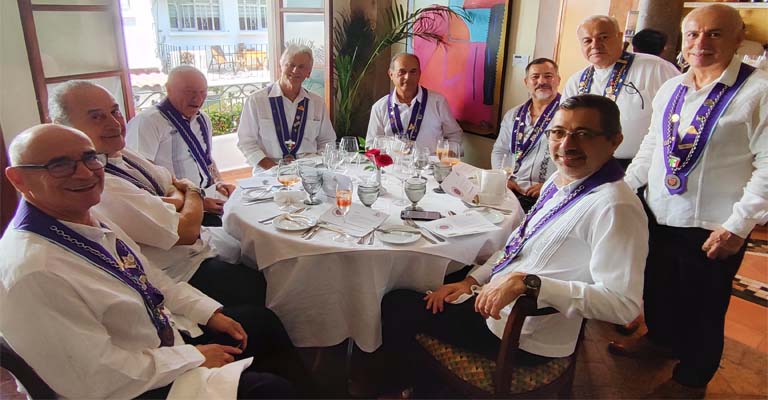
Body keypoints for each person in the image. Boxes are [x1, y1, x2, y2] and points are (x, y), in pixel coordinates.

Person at [0, 124, 305, 399]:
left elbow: (150, 277)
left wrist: (207, 312)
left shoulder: (85, 218)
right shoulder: (34, 271)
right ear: (18, 178)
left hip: (160, 338)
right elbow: (94, 377)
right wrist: (195, 357)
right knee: (270, 391)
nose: (84, 173)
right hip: (129, 385)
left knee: (261, 323)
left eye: (90, 158)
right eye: (59, 165)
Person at [380, 95, 648, 394]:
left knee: (396, 305)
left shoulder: (616, 206)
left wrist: (529, 284)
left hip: (521, 334)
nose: (567, 144)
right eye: (558, 132)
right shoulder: (560, 182)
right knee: (434, 280)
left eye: (583, 134)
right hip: (495, 301)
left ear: (614, 141)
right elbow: (518, 247)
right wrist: (471, 281)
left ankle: (405, 387)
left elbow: (623, 306)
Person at [611, 4, 768, 397]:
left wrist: (738, 226)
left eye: (715, 33)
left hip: (714, 224)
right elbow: (653, 146)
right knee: (658, 287)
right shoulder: (672, 88)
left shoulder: (759, 91)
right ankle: (660, 341)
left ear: (738, 38)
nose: (701, 42)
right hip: (660, 212)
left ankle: (693, 379)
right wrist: (623, 190)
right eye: (694, 34)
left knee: (704, 307)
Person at [49, 80, 266, 308]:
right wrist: (191, 191)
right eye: (96, 117)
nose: (114, 123)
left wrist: (181, 195)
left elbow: (169, 179)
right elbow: (186, 231)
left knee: (257, 243)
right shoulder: (96, 180)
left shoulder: (119, 152)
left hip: (197, 236)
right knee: (264, 286)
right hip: (180, 270)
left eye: (115, 112)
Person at [563, 15, 680, 169]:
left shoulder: (655, 68)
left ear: (619, 37)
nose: (595, 45)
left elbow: (680, 113)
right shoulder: (576, 81)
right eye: (587, 41)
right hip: (588, 166)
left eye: (603, 37)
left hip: (642, 166)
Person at [126, 66, 235, 226]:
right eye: (189, 92)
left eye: (203, 92)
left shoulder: (203, 119)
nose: (198, 99)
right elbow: (141, 176)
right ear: (168, 89)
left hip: (209, 195)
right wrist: (197, 202)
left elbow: (206, 158)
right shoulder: (147, 122)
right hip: (177, 208)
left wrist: (219, 181)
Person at [237, 44, 336, 171]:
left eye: (301, 67)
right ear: (281, 67)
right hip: (269, 172)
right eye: (291, 65)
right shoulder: (256, 101)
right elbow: (246, 142)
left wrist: (318, 166)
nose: (295, 70)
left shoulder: (317, 103)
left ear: (309, 73)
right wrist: (275, 169)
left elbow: (327, 141)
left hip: (309, 171)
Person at [491, 58, 561, 211]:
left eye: (548, 76)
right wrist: (502, 178)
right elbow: (500, 150)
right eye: (535, 77)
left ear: (558, 80)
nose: (542, 81)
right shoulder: (513, 114)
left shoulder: (568, 115)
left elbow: (576, 159)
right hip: (511, 189)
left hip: (550, 194)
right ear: (526, 82)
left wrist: (552, 184)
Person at [366, 53, 463, 153]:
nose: (408, 77)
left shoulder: (438, 102)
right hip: (394, 162)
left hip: (430, 162)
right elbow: (371, 145)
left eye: (413, 71)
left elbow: (454, 134)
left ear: (419, 74)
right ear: (391, 74)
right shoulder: (379, 108)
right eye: (402, 72)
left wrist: (447, 155)